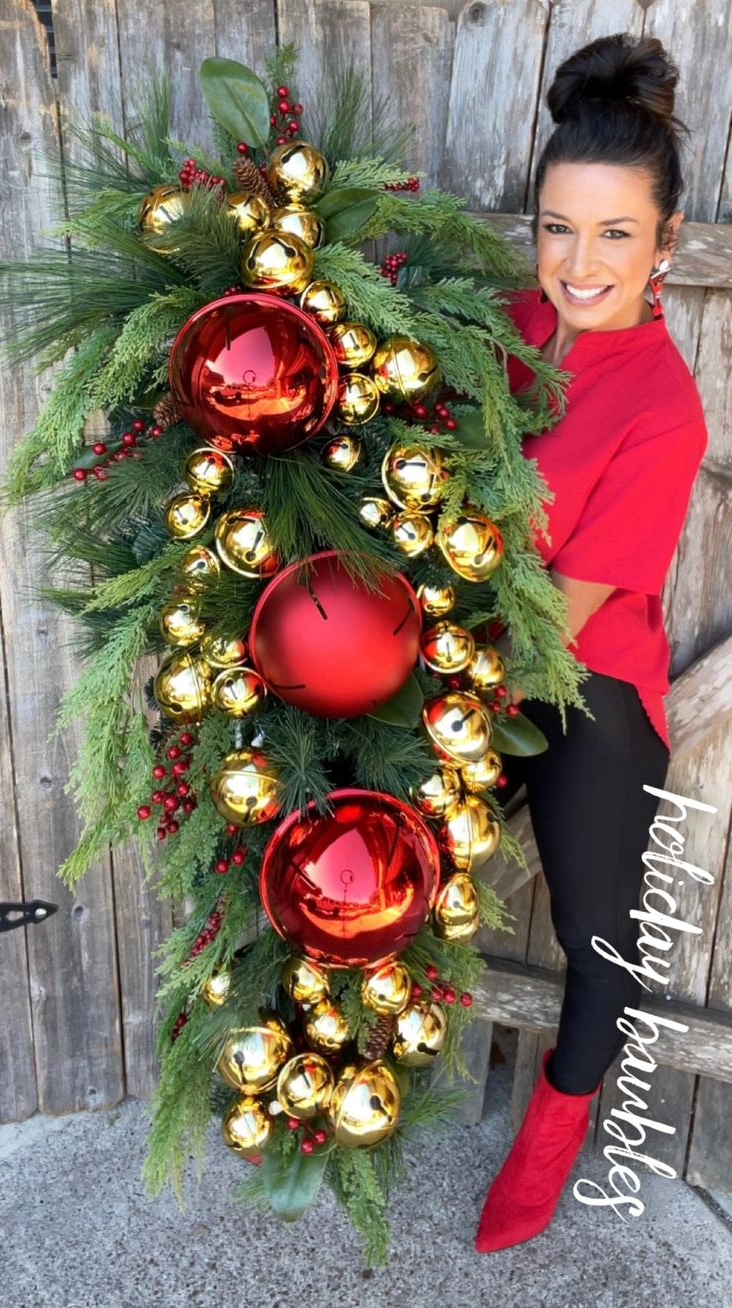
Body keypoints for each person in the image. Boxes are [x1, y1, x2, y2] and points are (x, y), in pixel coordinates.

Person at [474, 32, 708, 1253]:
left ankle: (551, 1136)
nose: (579, 262)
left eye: (615, 233)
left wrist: (432, 703)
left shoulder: (662, 406)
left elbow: (553, 618)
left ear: (665, 244)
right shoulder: (503, 327)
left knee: (595, 932)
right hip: (460, 658)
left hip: (582, 679)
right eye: (559, 228)